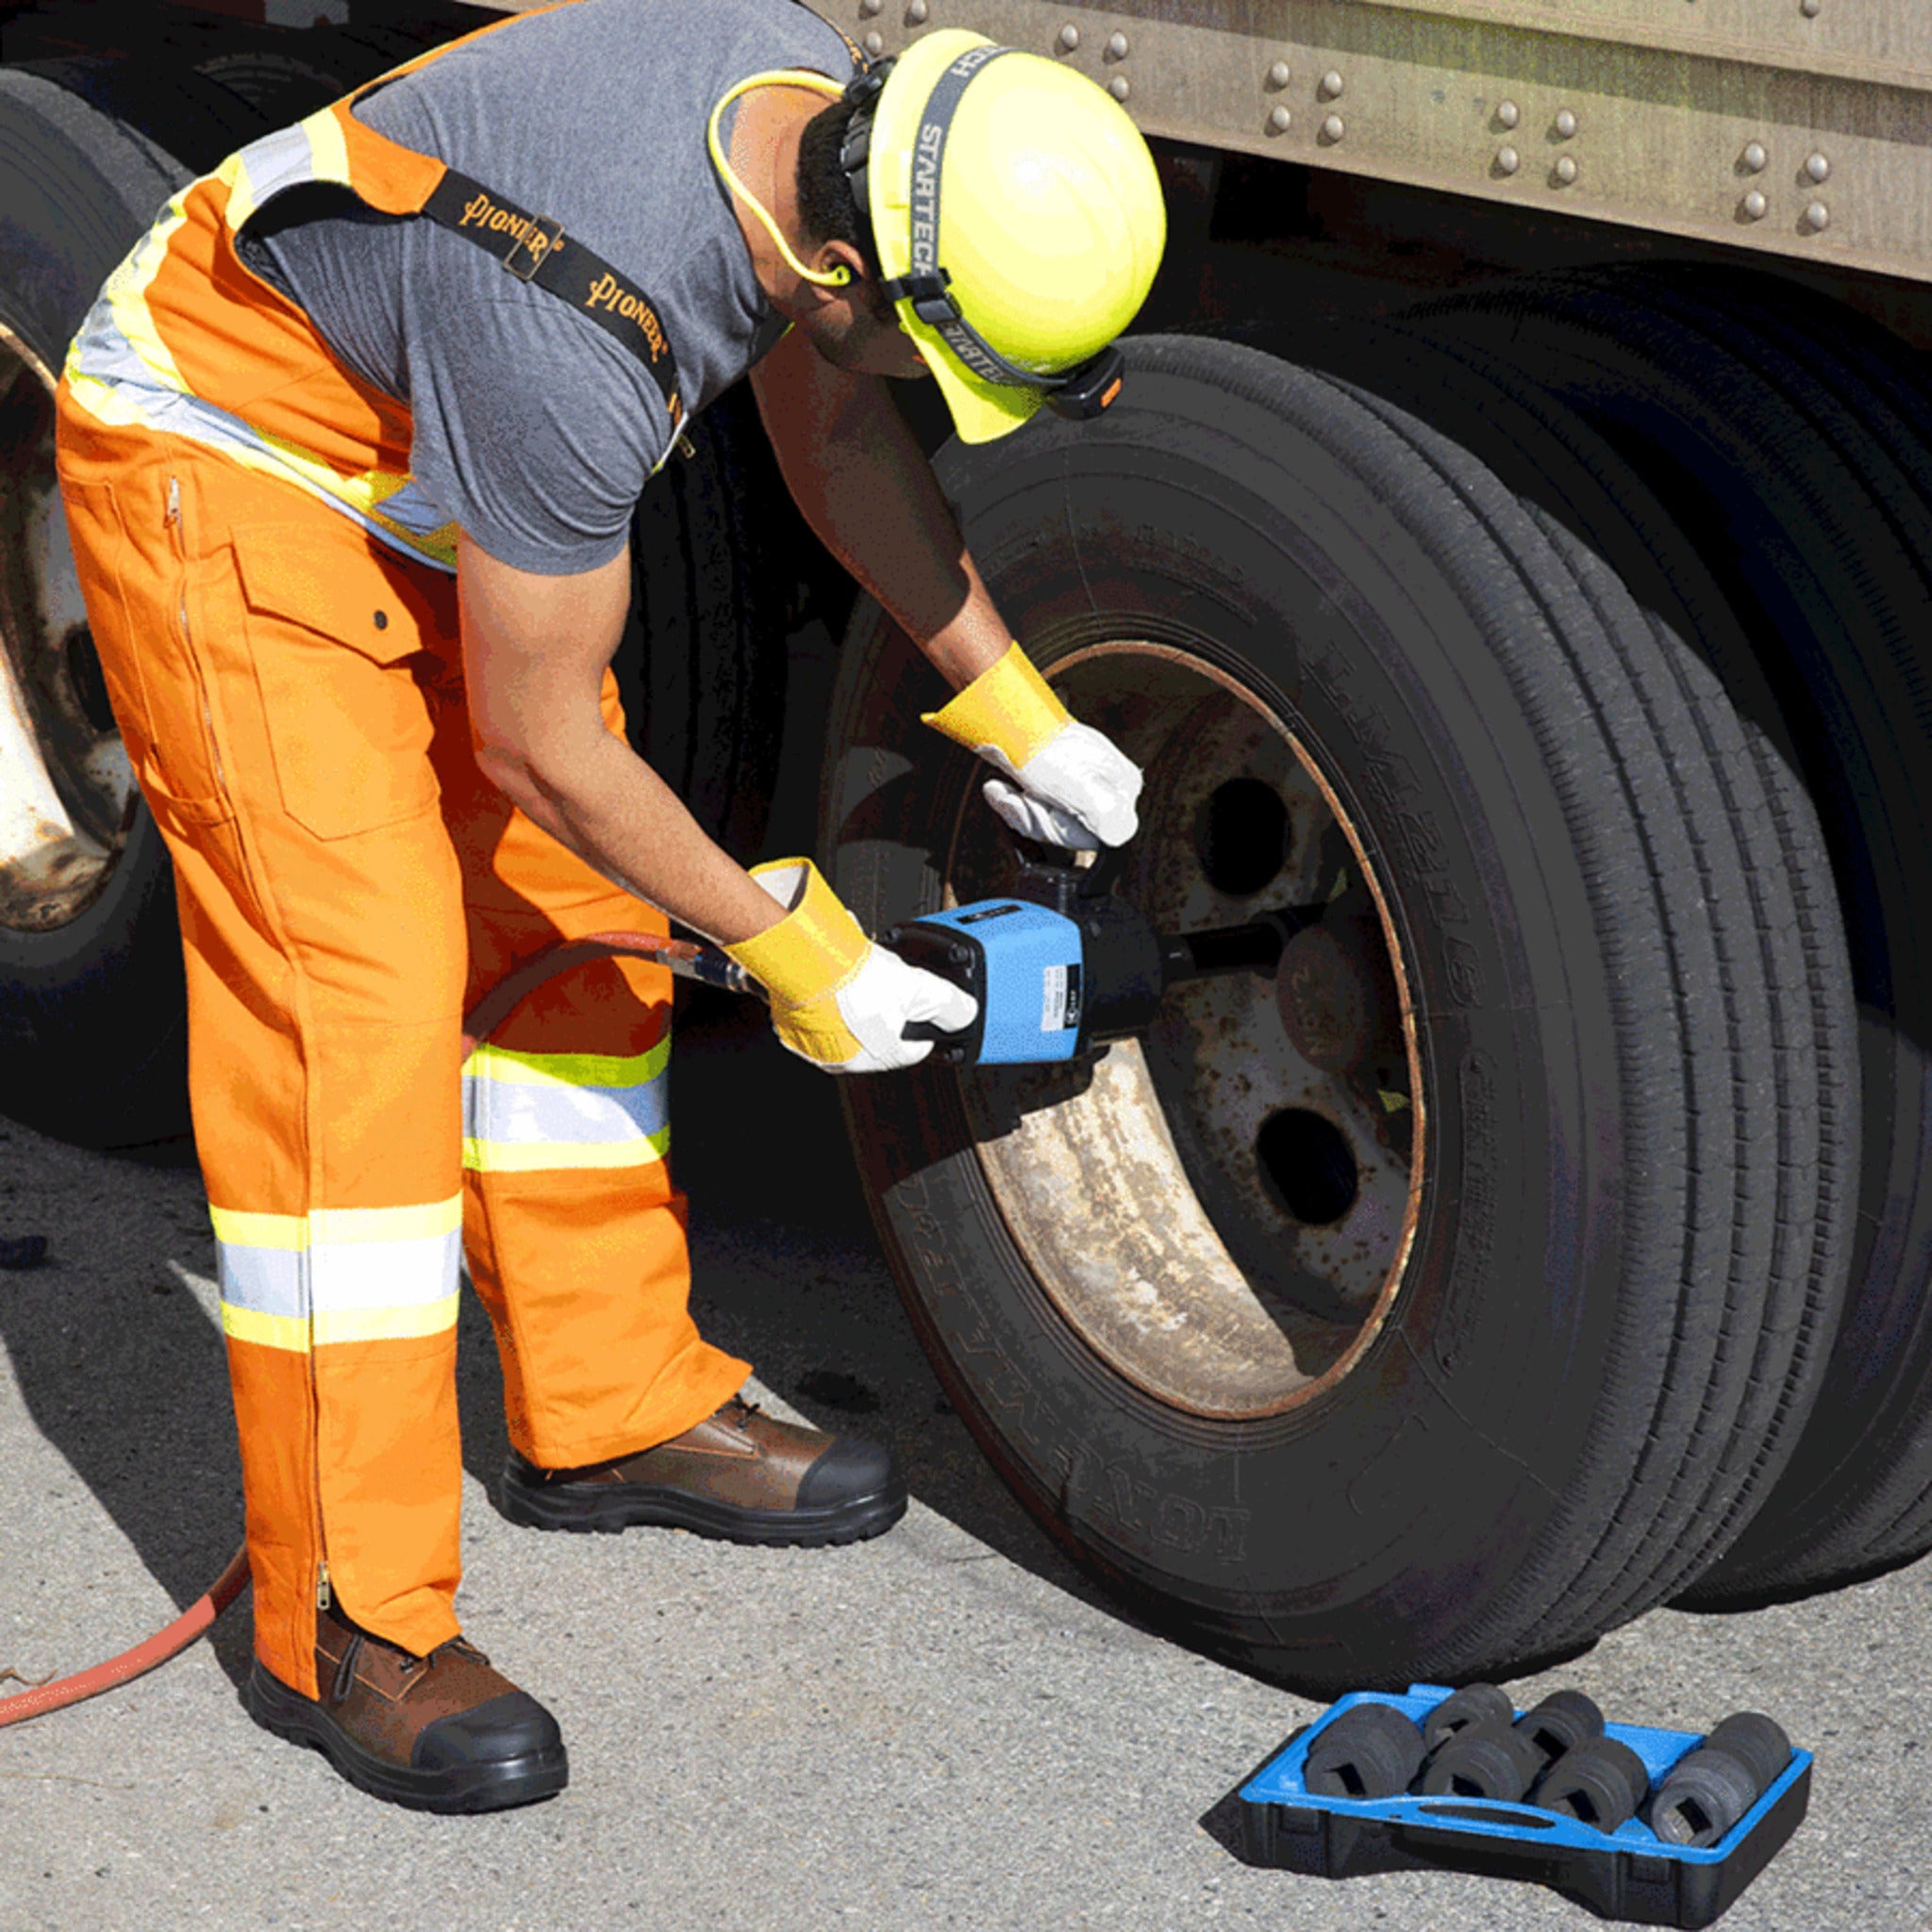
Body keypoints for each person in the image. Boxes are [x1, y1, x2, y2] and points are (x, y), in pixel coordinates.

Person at [54, 0, 1165, 1812]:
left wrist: (1018, 711)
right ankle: (353, 1612)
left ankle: (612, 1401)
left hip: (425, 442)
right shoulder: (580, 319)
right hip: (227, 458)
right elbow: (547, 734)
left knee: (573, 914)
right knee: (369, 990)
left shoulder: (824, 123)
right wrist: (798, 951)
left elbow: (841, 437)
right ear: (833, 250)